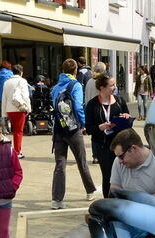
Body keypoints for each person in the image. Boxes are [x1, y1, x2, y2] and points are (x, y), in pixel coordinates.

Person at [50, 58, 97, 210]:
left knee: (60, 164)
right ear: (75, 70)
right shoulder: (75, 85)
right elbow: (77, 106)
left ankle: (56, 200)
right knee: (81, 161)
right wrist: (83, 123)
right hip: (73, 129)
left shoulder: (56, 87)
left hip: (59, 129)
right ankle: (90, 191)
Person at [85, 74, 133, 199]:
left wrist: (127, 118)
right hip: (102, 145)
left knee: (124, 174)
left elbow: (129, 122)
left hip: (121, 145)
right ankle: (108, 203)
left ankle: (123, 201)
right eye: (112, 85)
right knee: (108, 176)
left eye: (115, 84)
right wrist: (100, 127)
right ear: (102, 87)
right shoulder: (92, 105)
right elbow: (89, 128)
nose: (115, 87)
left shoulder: (120, 101)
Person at [0, 63, 31, 159]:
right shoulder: (22, 81)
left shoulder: (7, 82)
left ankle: (16, 150)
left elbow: (4, 98)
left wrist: (3, 112)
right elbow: (25, 96)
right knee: (19, 131)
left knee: (15, 131)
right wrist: (28, 108)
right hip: (19, 109)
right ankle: (17, 151)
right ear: (21, 72)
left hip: (9, 109)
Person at [84, 62, 107, 164]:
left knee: (94, 134)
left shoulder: (89, 81)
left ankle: (95, 156)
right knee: (102, 131)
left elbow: (86, 96)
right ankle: (101, 154)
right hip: (100, 108)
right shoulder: (101, 82)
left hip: (90, 109)